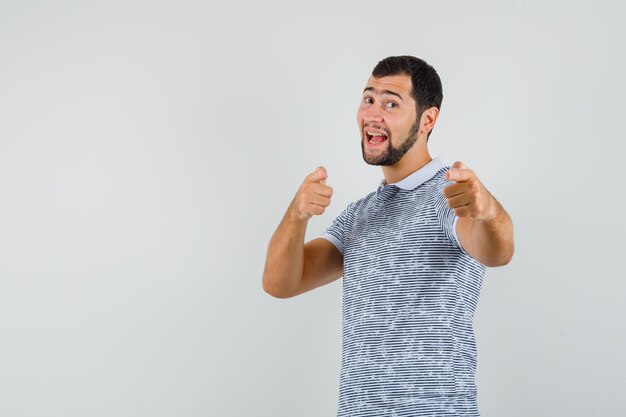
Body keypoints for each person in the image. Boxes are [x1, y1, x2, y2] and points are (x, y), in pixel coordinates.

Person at [262, 55, 514, 417]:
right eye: (368, 99)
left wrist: (486, 210)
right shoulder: (359, 214)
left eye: (391, 103)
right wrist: (297, 214)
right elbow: (280, 282)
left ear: (427, 119)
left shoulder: (449, 197)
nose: (373, 114)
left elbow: (498, 251)